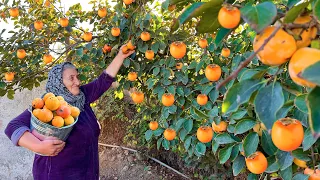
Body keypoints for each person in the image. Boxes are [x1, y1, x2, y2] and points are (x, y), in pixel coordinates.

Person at [4, 45, 135, 180]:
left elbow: (103, 81)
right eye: (71, 78)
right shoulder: (48, 104)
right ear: (59, 82)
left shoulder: (81, 97)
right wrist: (39, 147)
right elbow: (13, 126)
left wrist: (120, 56)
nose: (77, 82)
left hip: (86, 173)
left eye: (77, 77)